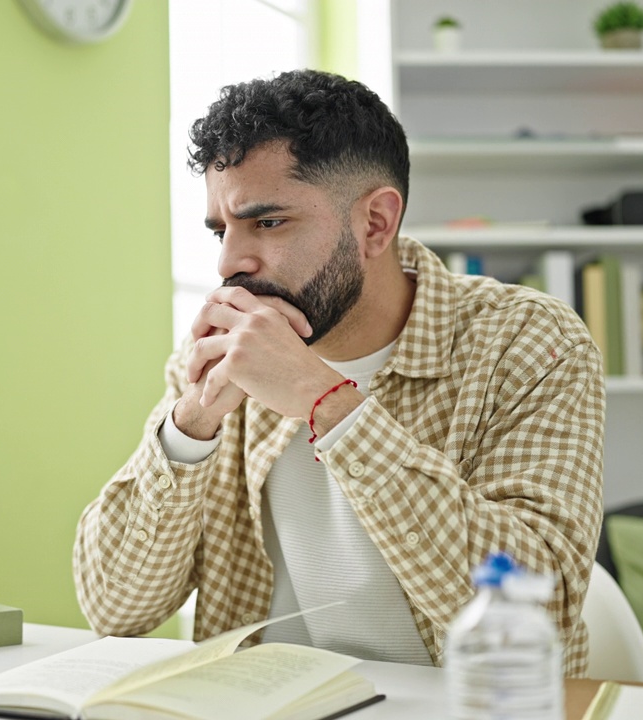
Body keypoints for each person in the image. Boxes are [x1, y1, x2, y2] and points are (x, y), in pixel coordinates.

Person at [73, 69, 604, 675]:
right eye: (222, 230)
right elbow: (114, 609)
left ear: (375, 223)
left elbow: (540, 615)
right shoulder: (221, 356)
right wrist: (189, 428)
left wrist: (324, 400)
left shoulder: (528, 343)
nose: (229, 261)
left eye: (267, 222)